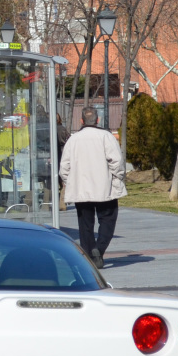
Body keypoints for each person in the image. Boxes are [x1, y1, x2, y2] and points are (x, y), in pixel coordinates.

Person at [59, 106, 126, 268]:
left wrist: (72, 182)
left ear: (81, 121)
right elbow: (117, 162)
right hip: (105, 188)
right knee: (108, 220)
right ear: (98, 120)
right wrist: (117, 178)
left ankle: (90, 256)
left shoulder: (73, 140)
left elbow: (64, 168)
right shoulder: (106, 137)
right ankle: (99, 248)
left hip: (81, 190)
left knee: (85, 225)